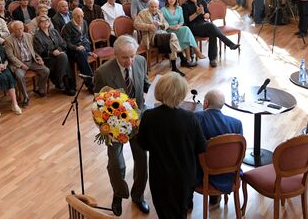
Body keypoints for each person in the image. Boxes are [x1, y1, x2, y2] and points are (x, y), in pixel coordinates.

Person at [94, 35, 151, 216]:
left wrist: (158, 89)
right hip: (115, 124)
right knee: (115, 162)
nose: (130, 61)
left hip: (139, 119)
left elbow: (145, 83)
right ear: (116, 54)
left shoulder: (140, 61)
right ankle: (118, 194)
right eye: (125, 57)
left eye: (132, 56)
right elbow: (98, 102)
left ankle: (138, 195)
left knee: (142, 160)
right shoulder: (103, 72)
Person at [137, 72, 206, 219]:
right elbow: (201, 147)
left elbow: (143, 144)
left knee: (164, 212)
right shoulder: (191, 118)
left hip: (160, 175)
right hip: (184, 176)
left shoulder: (149, 116)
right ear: (181, 93)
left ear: (159, 91)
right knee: (181, 213)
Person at [193, 90, 243, 206]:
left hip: (202, 173)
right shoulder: (236, 123)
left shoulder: (196, 118)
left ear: (205, 103)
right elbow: (241, 152)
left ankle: (188, 203)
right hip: (229, 173)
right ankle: (215, 198)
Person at [182, 0, 239, 67]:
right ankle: (229, 44)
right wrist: (197, 13)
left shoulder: (202, 2)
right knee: (210, 26)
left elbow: (208, 15)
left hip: (204, 24)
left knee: (212, 32)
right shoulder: (185, 5)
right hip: (193, 27)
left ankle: (212, 59)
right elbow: (187, 20)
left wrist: (205, 14)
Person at [134, 0, 185, 76]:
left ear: (158, 7)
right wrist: (149, 26)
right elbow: (136, 24)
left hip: (162, 35)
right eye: (152, 7)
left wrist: (160, 24)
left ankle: (174, 68)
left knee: (171, 41)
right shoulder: (143, 13)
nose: (154, 9)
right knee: (172, 36)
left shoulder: (159, 13)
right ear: (148, 6)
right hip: (151, 37)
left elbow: (166, 24)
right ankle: (181, 56)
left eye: (155, 7)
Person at [5, 21, 49, 105]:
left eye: (21, 28)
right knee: (19, 76)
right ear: (13, 30)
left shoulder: (29, 36)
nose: (20, 31)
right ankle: (25, 97)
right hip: (19, 64)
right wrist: (21, 65)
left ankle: (39, 88)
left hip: (31, 61)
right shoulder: (8, 40)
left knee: (45, 70)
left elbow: (34, 50)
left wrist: (38, 58)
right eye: (17, 29)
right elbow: (11, 56)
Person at [33, 16, 76, 95]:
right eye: (42, 21)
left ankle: (61, 83)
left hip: (59, 56)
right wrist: (52, 53)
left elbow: (63, 44)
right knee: (64, 57)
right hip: (48, 59)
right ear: (39, 24)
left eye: (47, 20)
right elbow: (41, 52)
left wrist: (58, 50)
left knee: (64, 56)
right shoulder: (37, 36)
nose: (46, 22)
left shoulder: (54, 31)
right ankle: (65, 84)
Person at [162, 0, 206, 67]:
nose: (172, 0)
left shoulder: (179, 8)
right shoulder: (163, 10)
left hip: (178, 28)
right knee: (186, 30)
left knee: (185, 31)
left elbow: (182, 21)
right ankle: (196, 51)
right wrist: (171, 27)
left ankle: (188, 60)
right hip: (169, 30)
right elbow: (163, 23)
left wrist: (178, 26)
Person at [61, 8, 96, 92]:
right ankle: (91, 82)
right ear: (73, 16)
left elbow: (85, 37)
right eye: (78, 17)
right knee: (81, 53)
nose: (80, 19)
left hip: (83, 47)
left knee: (82, 53)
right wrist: (76, 47)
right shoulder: (68, 26)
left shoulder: (84, 22)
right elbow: (67, 43)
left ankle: (90, 83)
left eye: (81, 16)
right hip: (73, 50)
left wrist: (86, 48)